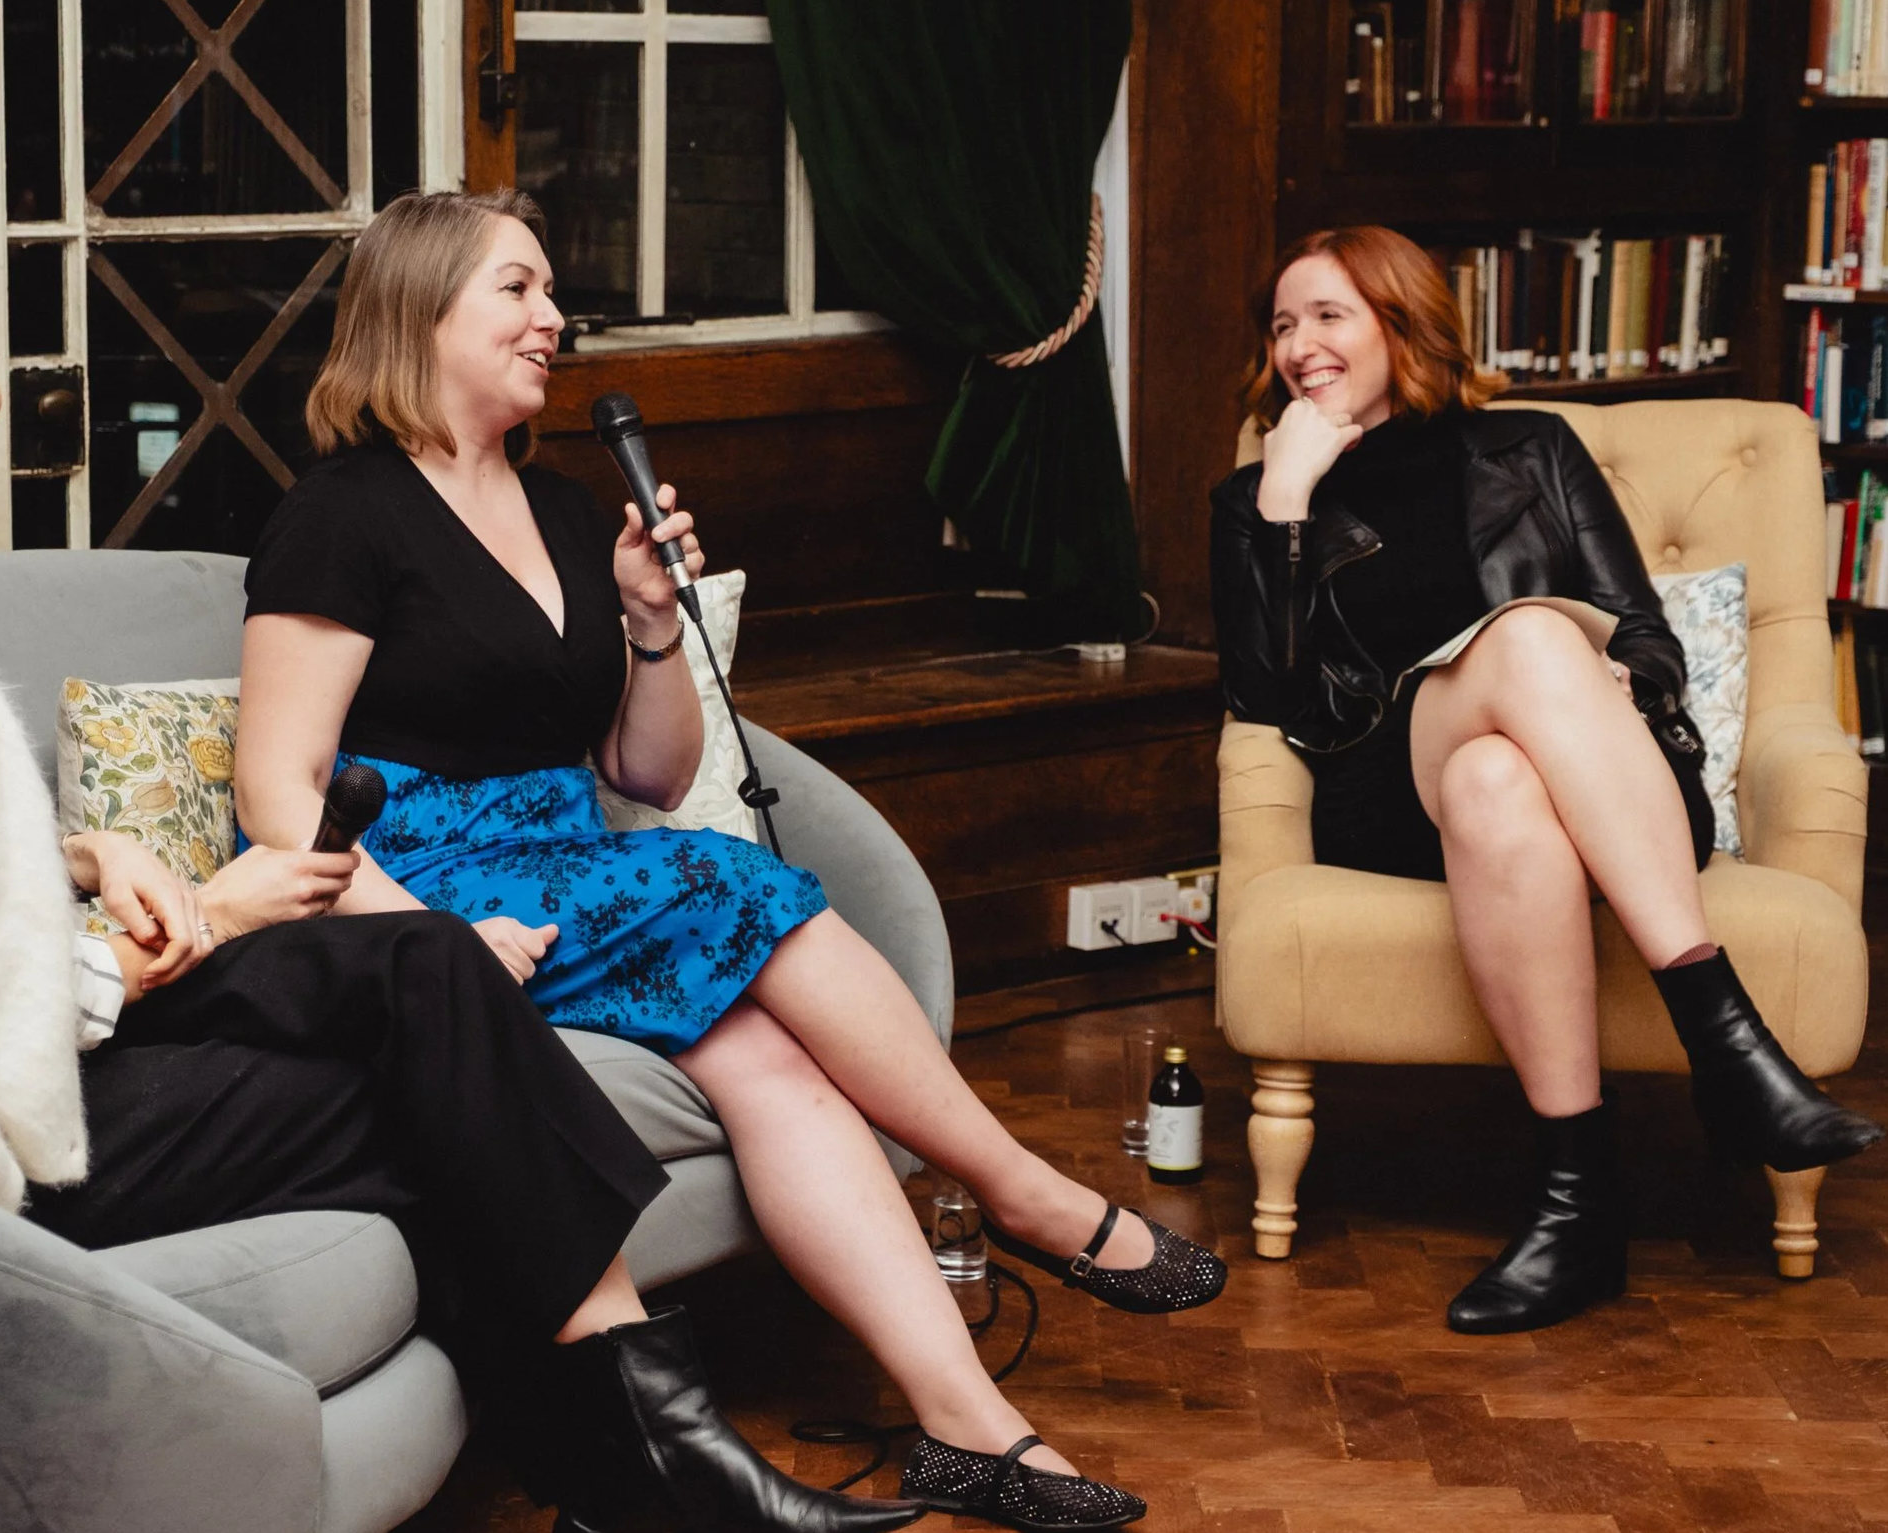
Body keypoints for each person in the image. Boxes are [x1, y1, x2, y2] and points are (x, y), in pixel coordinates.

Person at [0, 211, 925, 1533]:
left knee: (423, 967)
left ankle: (633, 1465)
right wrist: (208, 913)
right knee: (444, 1074)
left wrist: (84, 847)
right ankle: (653, 1461)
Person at [233, 187, 1226, 1533]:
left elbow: (641, 773)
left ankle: (968, 1429)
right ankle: (1020, 1191)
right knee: (721, 875)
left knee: (766, 1061)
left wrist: (650, 622)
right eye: (517, 289)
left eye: (550, 291)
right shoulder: (341, 513)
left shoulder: (566, 512)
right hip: (413, 885)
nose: (552, 318)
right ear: (419, 312)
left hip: (562, 865)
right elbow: (277, 792)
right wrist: (433, 945)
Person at [1210, 224, 1883, 1335]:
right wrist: (1285, 508)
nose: (1298, 344)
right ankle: (1727, 1046)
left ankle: (1577, 1209)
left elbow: (1644, 633)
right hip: (1391, 789)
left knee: (1498, 772)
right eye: (1283, 324)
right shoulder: (1256, 498)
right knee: (1521, 644)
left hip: (1593, 775)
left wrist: (1609, 682)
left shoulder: (1530, 448)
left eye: (1329, 315)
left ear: (1401, 322)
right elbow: (1267, 696)